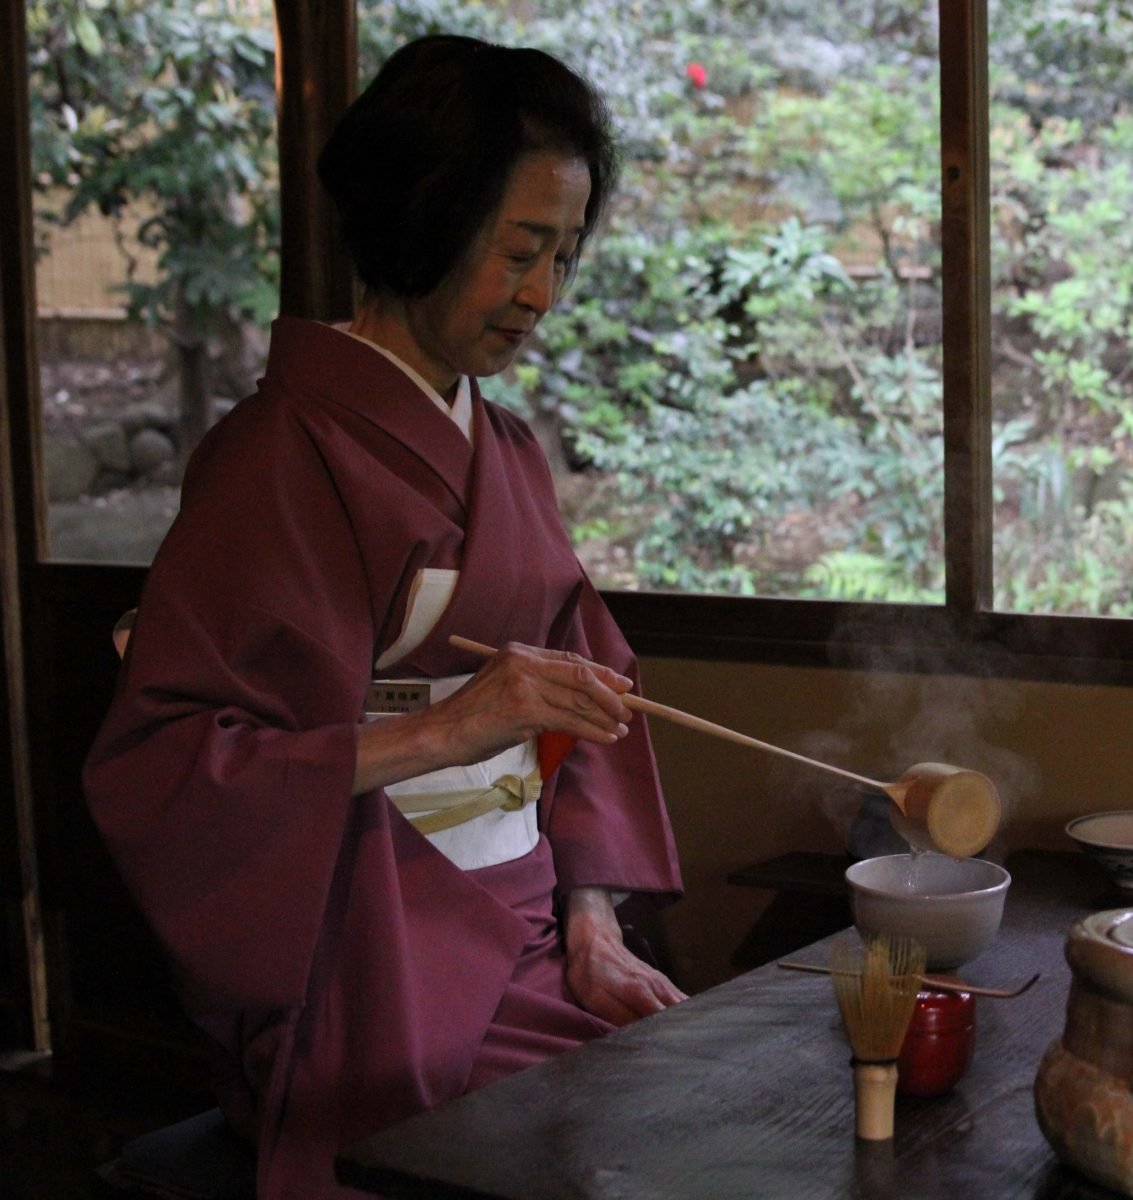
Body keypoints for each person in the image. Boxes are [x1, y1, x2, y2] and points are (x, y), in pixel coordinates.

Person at [83, 36, 684, 1200]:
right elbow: (168, 769)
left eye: (564, 255)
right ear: (426, 216)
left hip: (533, 927)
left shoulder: (507, 449)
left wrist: (594, 919)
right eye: (519, 251)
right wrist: (453, 728)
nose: (542, 297)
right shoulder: (276, 456)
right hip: (363, 942)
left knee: (684, 1090)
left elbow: (593, 707)